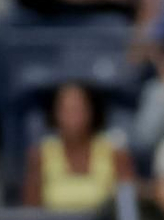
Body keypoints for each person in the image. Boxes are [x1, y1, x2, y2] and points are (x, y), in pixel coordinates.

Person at [23, 79, 132, 213]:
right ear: (55, 114)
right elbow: (30, 215)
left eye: (78, 109)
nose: (73, 117)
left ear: (91, 112)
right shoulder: (40, 156)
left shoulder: (115, 153)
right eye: (66, 110)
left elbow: (128, 210)